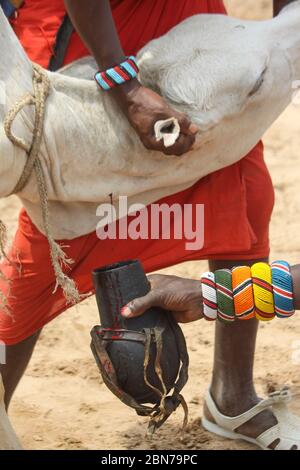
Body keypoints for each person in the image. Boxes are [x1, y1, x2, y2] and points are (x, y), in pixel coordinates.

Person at [0, 0, 295, 450]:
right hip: (101, 34)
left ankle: (232, 396)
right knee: (56, 239)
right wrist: (125, 85)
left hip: (195, 43)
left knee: (240, 199)